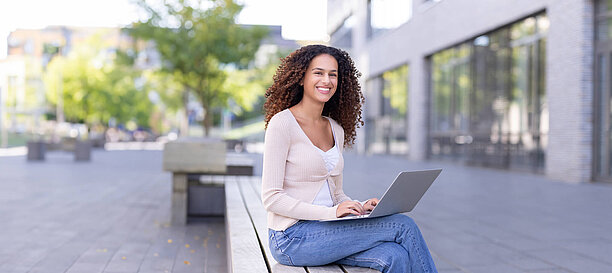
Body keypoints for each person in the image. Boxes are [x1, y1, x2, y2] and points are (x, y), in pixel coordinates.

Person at [261, 44, 437, 273]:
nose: (327, 80)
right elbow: (271, 198)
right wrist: (331, 214)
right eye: (318, 72)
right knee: (402, 226)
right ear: (301, 78)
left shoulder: (335, 129)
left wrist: (361, 207)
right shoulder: (282, 124)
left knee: (395, 256)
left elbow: (336, 195)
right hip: (292, 237)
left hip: (328, 229)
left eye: (332, 74)